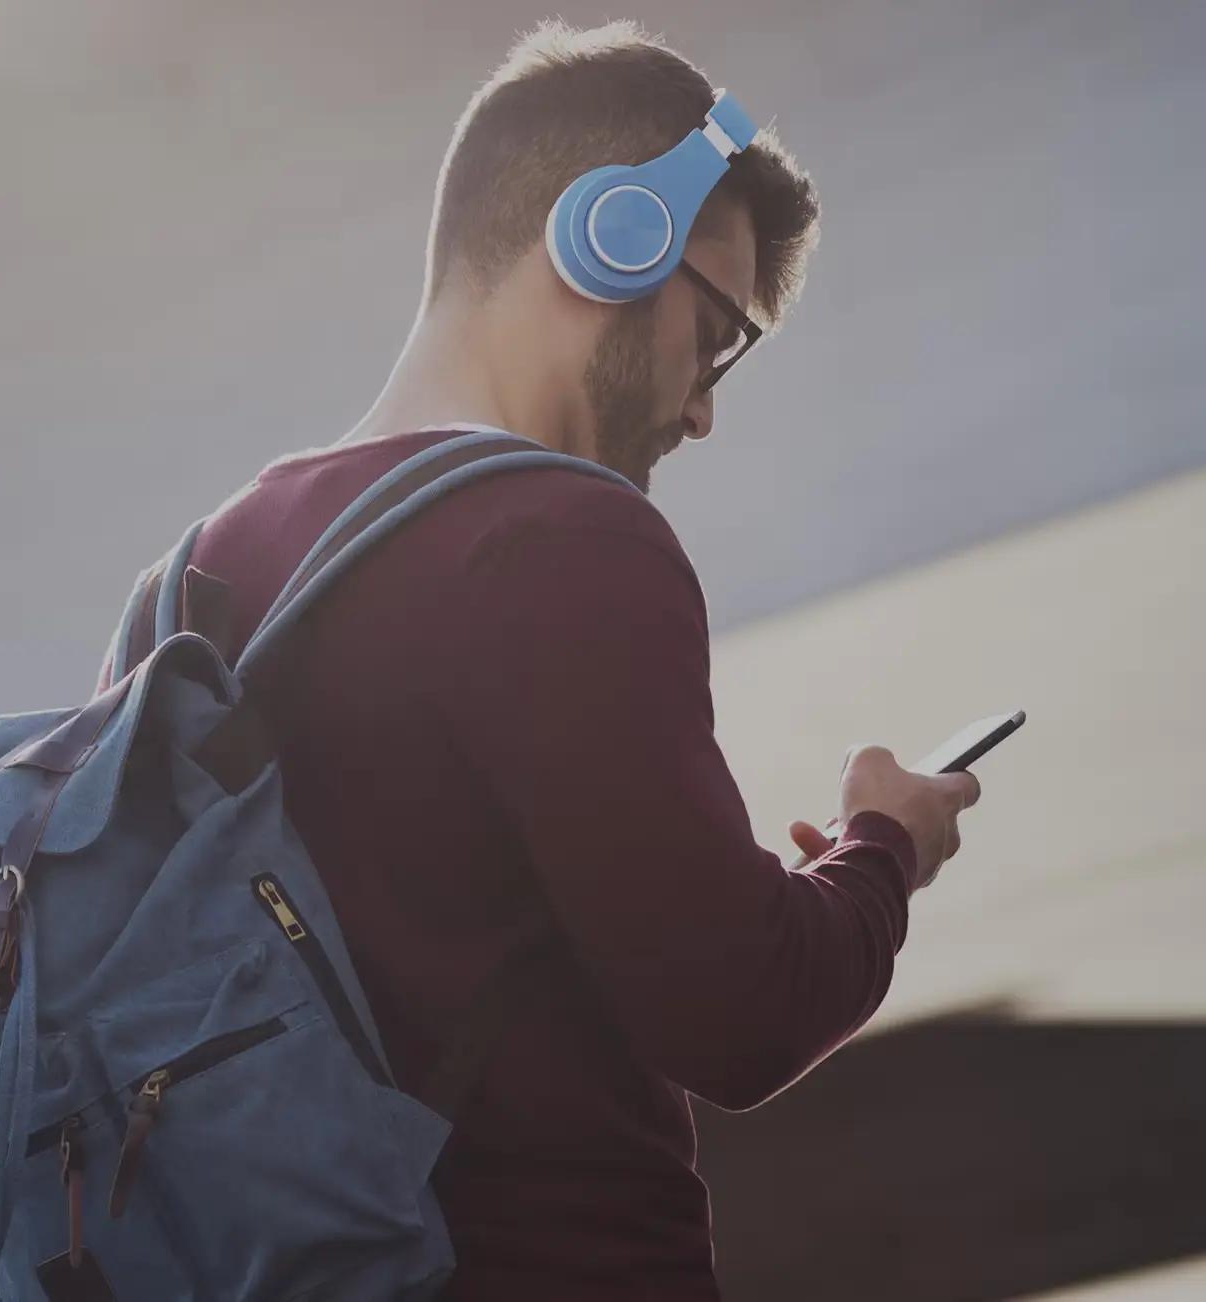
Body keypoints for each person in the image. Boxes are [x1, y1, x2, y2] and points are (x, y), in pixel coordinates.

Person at [160, 21, 980, 1301]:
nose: (703, 405)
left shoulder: (204, 570)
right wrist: (884, 847)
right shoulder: (553, 536)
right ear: (613, 237)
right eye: (714, 336)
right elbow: (743, 1013)